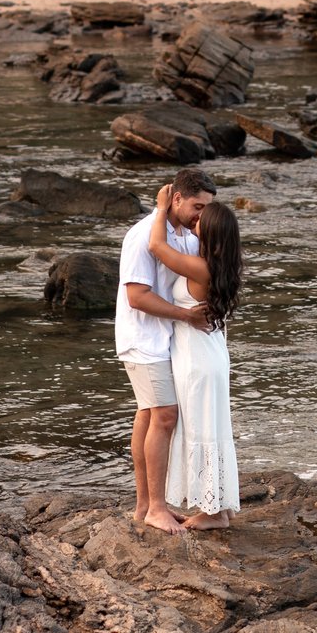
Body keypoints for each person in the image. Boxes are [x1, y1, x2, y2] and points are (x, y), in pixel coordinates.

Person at [115, 166, 216, 534]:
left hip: (166, 340)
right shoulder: (142, 235)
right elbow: (137, 296)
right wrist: (186, 316)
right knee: (165, 416)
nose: (201, 215)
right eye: (197, 206)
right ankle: (156, 507)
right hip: (143, 340)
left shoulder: (186, 235)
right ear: (176, 199)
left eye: (207, 209)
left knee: (149, 414)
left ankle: (145, 505)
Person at [148, 182, 242, 530]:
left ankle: (213, 513)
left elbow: (156, 246)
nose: (196, 219)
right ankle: (220, 507)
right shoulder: (222, 266)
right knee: (213, 428)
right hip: (211, 354)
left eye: (204, 218)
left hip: (198, 359)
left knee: (202, 429)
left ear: (212, 234)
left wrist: (161, 207)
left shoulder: (201, 268)